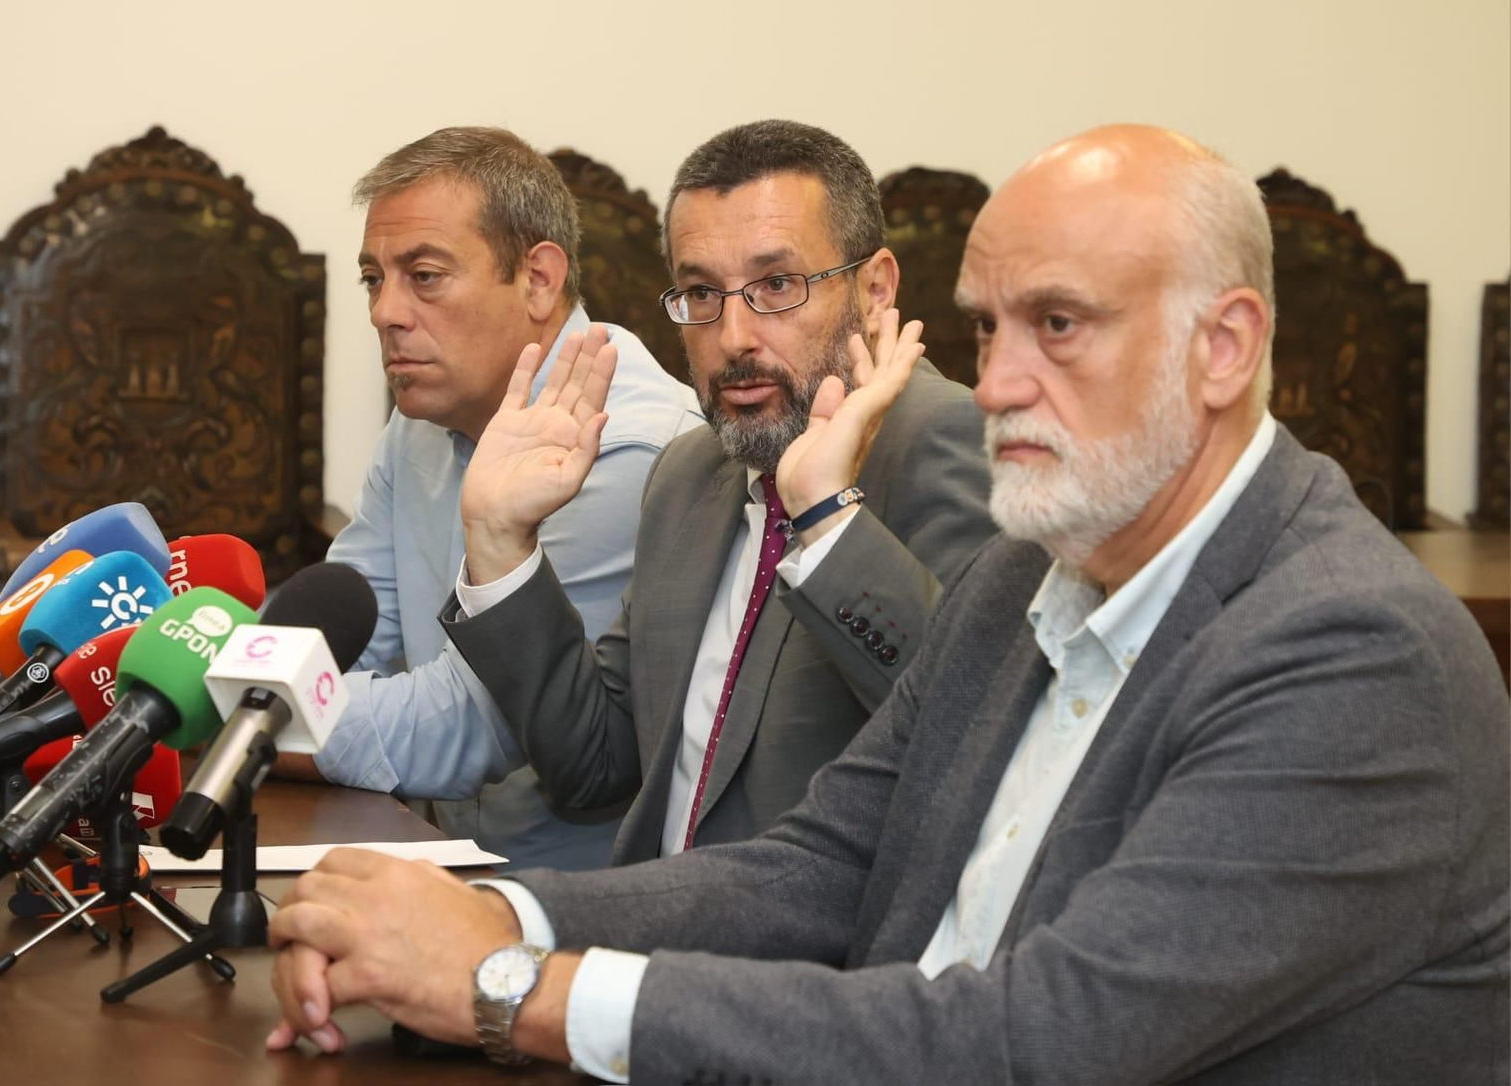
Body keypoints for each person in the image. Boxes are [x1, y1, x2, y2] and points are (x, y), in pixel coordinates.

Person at [265, 124, 1510, 1083]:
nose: (1002, 380)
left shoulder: (1353, 650)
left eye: (1058, 325)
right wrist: (492, 912)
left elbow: (1038, 1040)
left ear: (1225, 346)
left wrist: (509, 984)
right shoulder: (1041, 567)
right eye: (986, 325)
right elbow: (825, 864)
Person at [440, 119, 993, 864]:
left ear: (875, 289)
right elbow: (595, 772)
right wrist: (502, 546)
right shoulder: (689, 474)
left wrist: (828, 518)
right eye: (701, 292)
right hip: (655, 927)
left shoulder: (947, 437)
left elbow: (974, 734)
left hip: (817, 964)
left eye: (776, 285)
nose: (733, 336)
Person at [278, 127, 702, 871]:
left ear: (538, 280)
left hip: (571, 911)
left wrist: (245, 716)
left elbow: (469, 727)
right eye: (374, 278)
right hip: (427, 857)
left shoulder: (627, 446)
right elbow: (345, 647)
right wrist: (260, 689)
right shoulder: (420, 425)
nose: (385, 312)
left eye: (426, 276)